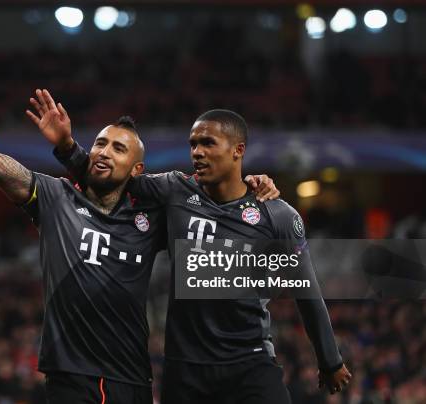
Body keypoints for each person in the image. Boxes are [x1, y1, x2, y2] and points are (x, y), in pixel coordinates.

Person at [0, 41, 278, 404]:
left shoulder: (152, 217)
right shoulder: (54, 198)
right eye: (100, 143)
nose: (103, 151)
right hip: (72, 377)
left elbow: (213, 206)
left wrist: (252, 188)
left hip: (133, 379)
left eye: (118, 149)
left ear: (137, 170)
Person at [35, 91, 352, 403]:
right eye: (193, 145)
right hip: (185, 370)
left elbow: (307, 291)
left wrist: (330, 359)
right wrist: (66, 147)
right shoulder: (173, 190)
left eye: (208, 143)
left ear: (237, 150)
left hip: (250, 361)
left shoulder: (277, 215)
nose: (197, 152)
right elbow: (110, 176)